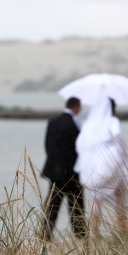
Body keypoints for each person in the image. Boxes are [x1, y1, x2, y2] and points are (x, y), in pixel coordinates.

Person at [74, 96, 128, 236]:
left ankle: (95, 230)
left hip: (94, 166)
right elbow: (119, 140)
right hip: (111, 165)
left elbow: (80, 144)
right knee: (120, 196)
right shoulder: (112, 121)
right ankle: (122, 227)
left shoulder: (90, 124)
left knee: (96, 198)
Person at [41, 97, 86, 240]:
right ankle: (80, 235)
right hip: (72, 172)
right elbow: (78, 148)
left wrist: (56, 164)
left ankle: (45, 234)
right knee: (76, 205)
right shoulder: (74, 123)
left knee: (52, 205)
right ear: (77, 107)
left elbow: (47, 145)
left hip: (55, 171)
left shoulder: (53, 121)